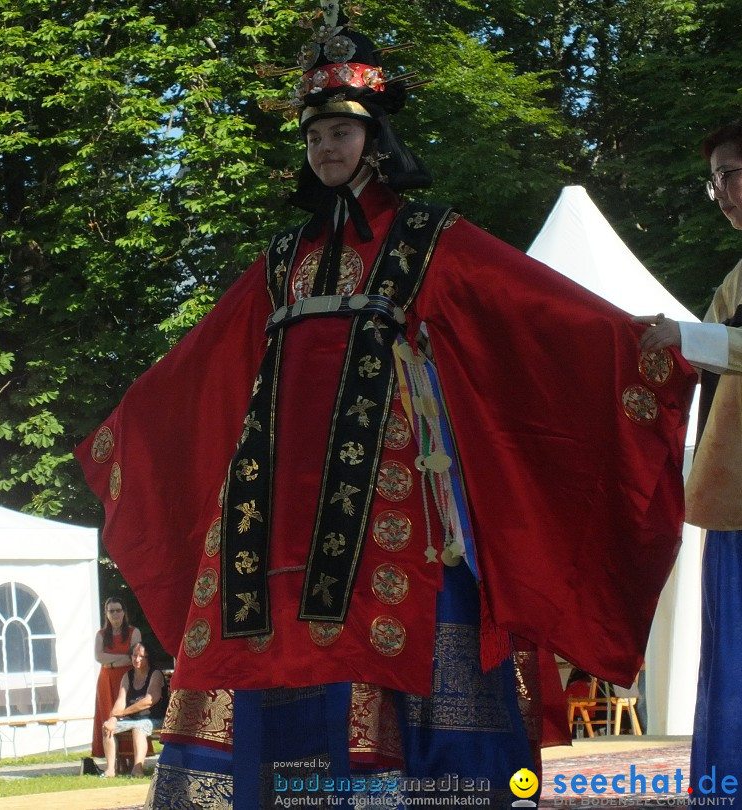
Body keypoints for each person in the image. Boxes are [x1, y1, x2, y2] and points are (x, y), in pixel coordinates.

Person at [77, 4, 695, 806]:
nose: (326, 147)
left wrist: (634, 342)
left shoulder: (428, 238)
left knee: (407, 626)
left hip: (393, 491)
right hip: (273, 513)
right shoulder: (282, 260)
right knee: (274, 638)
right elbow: (202, 363)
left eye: (340, 131)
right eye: (313, 136)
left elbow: (530, 305)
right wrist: (125, 429)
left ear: (375, 139)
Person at [636, 119, 742, 797]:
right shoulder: (735, 278)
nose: (725, 193)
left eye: (733, 174)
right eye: (718, 181)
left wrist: (684, 336)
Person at [101, 642, 165, 778]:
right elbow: (120, 700)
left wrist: (122, 713)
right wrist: (113, 718)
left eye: (142, 656)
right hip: (132, 717)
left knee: (138, 728)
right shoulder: (127, 676)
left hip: (154, 718)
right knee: (107, 727)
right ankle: (110, 769)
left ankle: (138, 769)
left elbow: (149, 700)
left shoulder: (155, 674)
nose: (137, 659)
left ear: (149, 658)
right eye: (134, 655)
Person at [91, 597, 141, 758]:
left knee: (127, 713)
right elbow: (99, 657)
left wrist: (111, 661)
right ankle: (112, 757)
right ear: (106, 614)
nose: (115, 614)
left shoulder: (134, 632)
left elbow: (134, 657)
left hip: (128, 679)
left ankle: (130, 754)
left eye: (118, 610)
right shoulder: (101, 634)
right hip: (107, 680)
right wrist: (122, 658)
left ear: (124, 612)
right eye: (111, 611)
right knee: (108, 714)